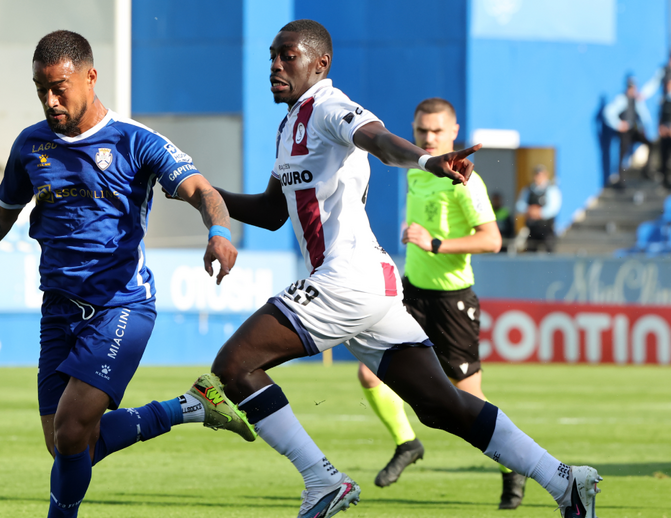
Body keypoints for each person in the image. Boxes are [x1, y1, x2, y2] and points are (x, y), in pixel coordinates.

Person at [177, 20, 601, 518]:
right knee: (441, 406)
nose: (275, 64)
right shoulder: (289, 124)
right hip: (369, 285)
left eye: (287, 55)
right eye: (272, 55)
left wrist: (426, 160)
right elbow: (272, 212)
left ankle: (323, 481)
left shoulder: (329, 105)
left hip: (347, 279)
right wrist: (197, 191)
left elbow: (378, 140)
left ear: (320, 63)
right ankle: (566, 481)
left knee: (234, 366)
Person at [0, 30, 256, 518]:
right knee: (67, 445)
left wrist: (219, 230)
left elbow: (200, 188)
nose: (50, 100)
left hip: (121, 306)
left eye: (59, 87)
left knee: (72, 430)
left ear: (91, 76)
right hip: (59, 310)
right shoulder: (31, 145)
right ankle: (191, 406)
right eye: (40, 90)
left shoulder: (135, 141)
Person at [356, 97, 528, 509]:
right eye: (422, 131)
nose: (429, 138)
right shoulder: (416, 172)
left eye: (437, 131)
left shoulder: (466, 181)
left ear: (454, 132)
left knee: (468, 400)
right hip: (412, 293)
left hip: (453, 304)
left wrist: (435, 243)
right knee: (369, 373)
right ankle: (407, 444)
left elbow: (492, 239)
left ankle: (515, 464)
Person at [603, 72, 662, 187]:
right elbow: (608, 113)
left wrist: (644, 127)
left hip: (634, 130)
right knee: (622, 154)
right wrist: (619, 124)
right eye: (630, 87)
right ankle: (620, 180)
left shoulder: (637, 100)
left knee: (650, 144)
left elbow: (644, 116)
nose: (632, 90)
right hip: (625, 132)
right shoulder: (621, 99)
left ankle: (646, 171)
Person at [516, 164, 562, 253]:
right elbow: (519, 205)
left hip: (546, 229)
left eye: (541, 175)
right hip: (532, 229)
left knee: (550, 253)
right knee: (531, 254)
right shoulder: (528, 190)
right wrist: (529, 210)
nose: (538, 177)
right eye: (537, 175)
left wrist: (539, 212)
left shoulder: (552, 189)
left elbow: (553, 208)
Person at [659, 74, 671, 188]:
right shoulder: (663, 100)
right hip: (664, 132)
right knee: (664, 157)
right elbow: (660, 116)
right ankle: (664, 181)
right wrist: (661, 127)